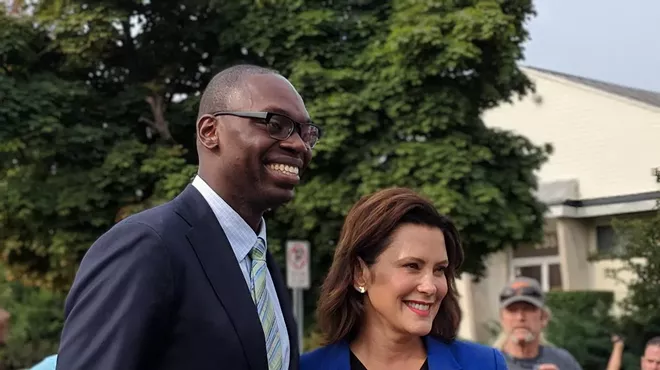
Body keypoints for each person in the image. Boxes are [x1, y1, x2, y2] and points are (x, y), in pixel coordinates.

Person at [56, 64, 322, 370]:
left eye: (307, 133)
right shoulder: (147, 246)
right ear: (210, 132)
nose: (299, 145)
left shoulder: (258, 261)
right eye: (276, 124)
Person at [301, 187, 507, 370]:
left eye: (439, 269)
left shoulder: (484, 364)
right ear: (359, 273)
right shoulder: (306, 367)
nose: (430, 287)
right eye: (412, 266)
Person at [493, 277, 582, 370]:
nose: (520, 317)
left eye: (528, 309)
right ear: (502, 319)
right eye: (512, 310)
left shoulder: (563, 362)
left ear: (544, 318)